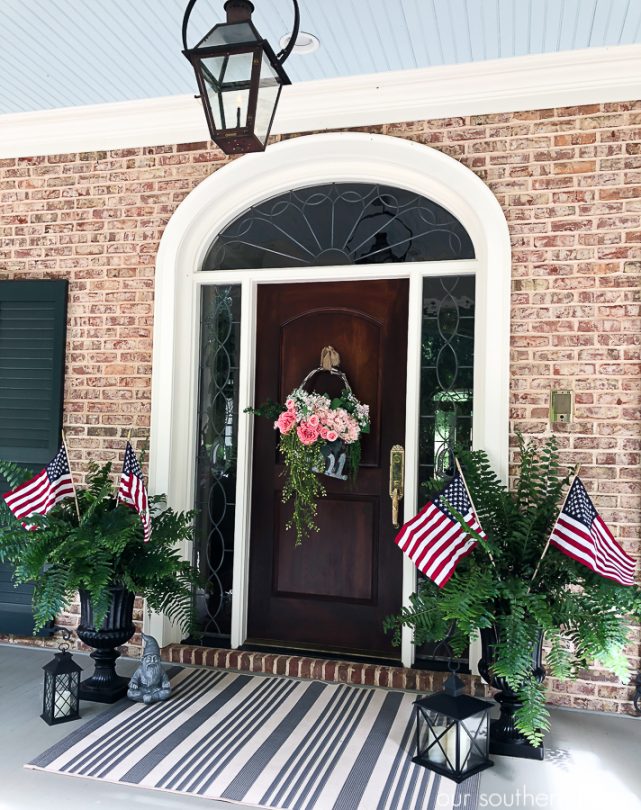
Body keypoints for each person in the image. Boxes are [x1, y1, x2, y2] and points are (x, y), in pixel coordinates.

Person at [127, 633, 171, 704]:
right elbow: (134, 680)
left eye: (155, 658)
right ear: (142, 660)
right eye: (149, 658)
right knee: (130, 693)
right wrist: (133, 684)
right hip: (142, 690)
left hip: (156, 690)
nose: (152, 661)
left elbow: (165, 680)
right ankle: (147, 697)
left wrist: (165, 683)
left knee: (167, 692)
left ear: (159, 659)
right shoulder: (140, 670)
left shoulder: (160, 670)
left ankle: (152, 697)